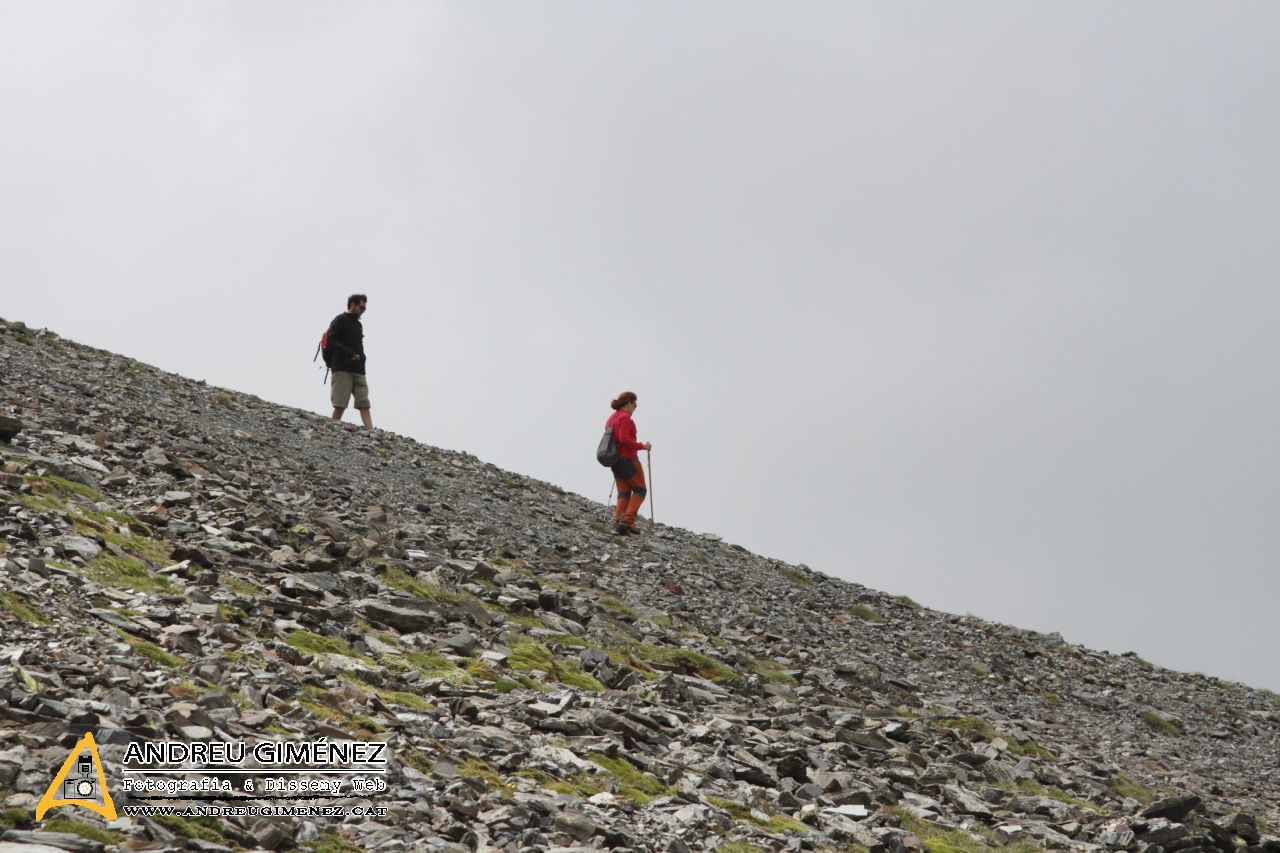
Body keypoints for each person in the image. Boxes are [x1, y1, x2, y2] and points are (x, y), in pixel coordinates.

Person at [605, 391, 652, 534]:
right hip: (628, 459)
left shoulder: (611, 418)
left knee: (624, 491)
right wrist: (642, 446)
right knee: (640, 489)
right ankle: (628, 521)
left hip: (615, 460)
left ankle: (619, 521)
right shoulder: (625, 418)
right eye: (634, 402)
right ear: (628, 403)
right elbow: (624, 439)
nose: (636, 406)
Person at [328, 294, 372, 428]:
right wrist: (349, 354)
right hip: (342, 368)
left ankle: (371, 432)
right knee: (340, 404)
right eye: (361, 307)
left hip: (358, 370)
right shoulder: (340, 320)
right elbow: (331, 341)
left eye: (365, 308)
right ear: (352, 304)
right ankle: (332, 429)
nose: (363, 310)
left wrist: (361, 360)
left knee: (364, 402)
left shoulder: (359, 325)